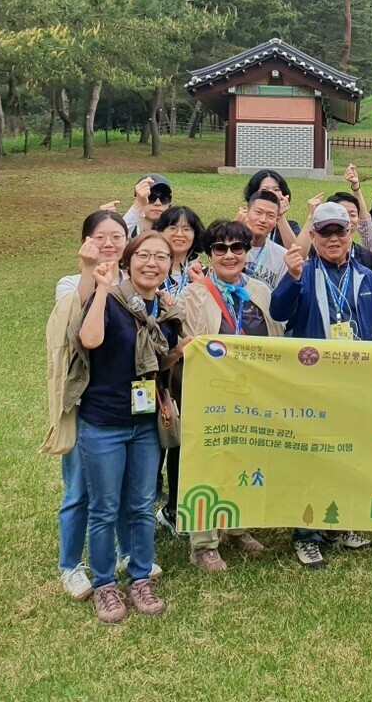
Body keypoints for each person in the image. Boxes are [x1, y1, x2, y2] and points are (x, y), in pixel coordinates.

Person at [74, 232, 186, 623]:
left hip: (145, 425)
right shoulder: (109, 300)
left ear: (170, 267)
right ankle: (105, 584)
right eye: (144, 256)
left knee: (140, 506)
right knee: (105, 509)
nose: (152, 263)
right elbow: (89, 340)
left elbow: (159, 363)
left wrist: (179, 351)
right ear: (128, 260)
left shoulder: (165, 312)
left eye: (161, 257)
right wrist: (102, 290)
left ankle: (140, 577)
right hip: (104, 421)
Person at [47, 210, 152, 602]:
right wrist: (90, 271)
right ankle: (71, 565)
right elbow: (76, 330)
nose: (109, 243)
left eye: (117, 236)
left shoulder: (136, 281)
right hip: (86, 404)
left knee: (128, 489)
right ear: (86, 240)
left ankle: (127, 553)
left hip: (131, 407)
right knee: (80, 491)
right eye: (100, 236)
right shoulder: (71, 282)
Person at [270, 202, 372, 568]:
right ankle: (307, 534)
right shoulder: (303, 271)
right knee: (313, 458)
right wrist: (292, 277)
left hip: (354, 382)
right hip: (313, 383)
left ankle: (342, 522)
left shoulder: (366, 275)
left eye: (340, 232)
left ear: (350, 235)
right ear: (313, 236)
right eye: (325, 232)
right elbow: (279, 311)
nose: (334, 239)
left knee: (349, 453)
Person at [177, 218, 282, 570]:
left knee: (245, 459)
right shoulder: (194, 294)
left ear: (247, 251)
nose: (229, 254)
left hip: (253, 396)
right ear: (209, 254)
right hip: (211, 395)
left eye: (237, 247)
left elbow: (277, 339)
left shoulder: (260, 292)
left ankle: (237, 527)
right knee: (209, 463)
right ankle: (204, 543)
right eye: (220, 248)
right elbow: (190, 345)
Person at [151, 206, 204, 539]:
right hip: (156, 369)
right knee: (153, 438)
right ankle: (145, 506)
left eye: (187, 228)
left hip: (191, 372)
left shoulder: (201, 272)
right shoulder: (149, 268)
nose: (180, 234)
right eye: (173, 227)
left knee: (183, 438)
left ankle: (174, 509)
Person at [239, 191, 289, 291]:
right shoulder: (228, 249)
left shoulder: (282, 257)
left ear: (276, 220)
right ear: (246, 212)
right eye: (258, 212)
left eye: (270, 216)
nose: (263, 220)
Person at [243, 169, 300, 246]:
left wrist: (280, 215)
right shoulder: (243, 221)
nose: (271, 193)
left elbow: (296, 252)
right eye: (264, 190)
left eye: (276, 189)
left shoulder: (292, 226)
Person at [114, 174, 171, 238]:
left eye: (164, 198)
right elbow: (118, 236)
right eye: (151, 197)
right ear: (136, 201)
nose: (158, 203)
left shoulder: (175, 234)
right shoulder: (129, 229)